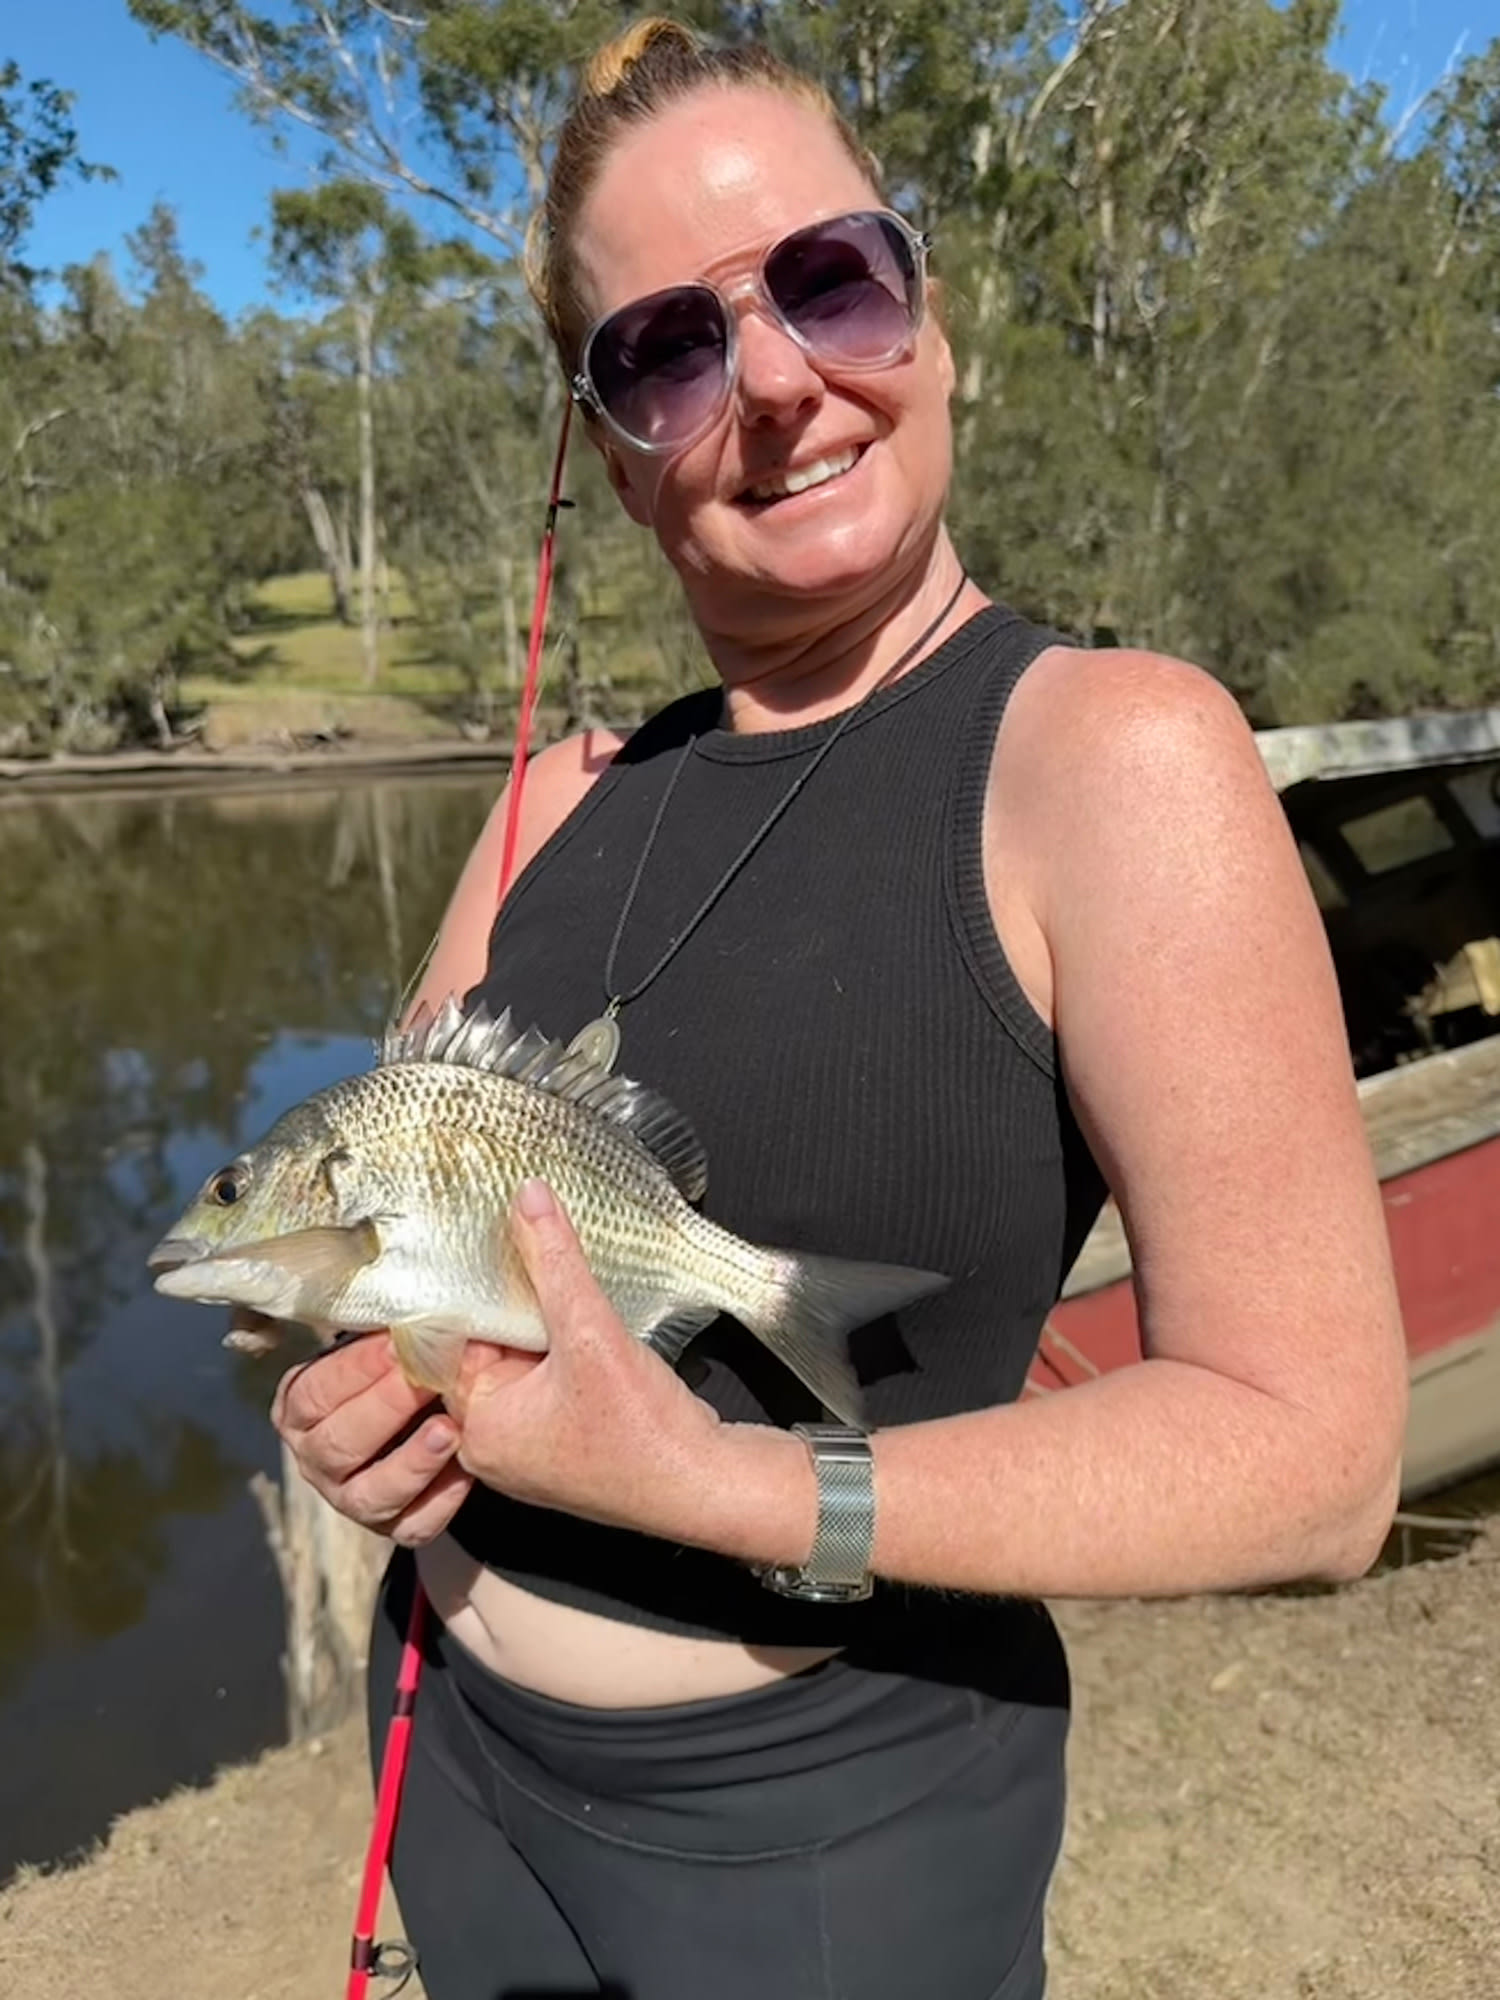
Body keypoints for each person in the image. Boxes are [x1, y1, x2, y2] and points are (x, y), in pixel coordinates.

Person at [272, 18, 1408, 1998]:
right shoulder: (556, 796)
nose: (781, 381)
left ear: (928, 315)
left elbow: (1314, 1458)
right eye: (668, 350)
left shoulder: (1110, 755)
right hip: (450, 1748)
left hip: (830, 1845)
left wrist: (728, 1485)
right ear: (616, 461)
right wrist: (341, 1402)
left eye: (829, 277)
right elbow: (383, 1225)